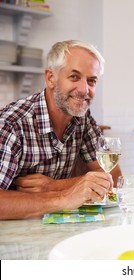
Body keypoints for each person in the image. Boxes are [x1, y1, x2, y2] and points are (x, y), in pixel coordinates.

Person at [0, 40, 121, 220]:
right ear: (50, 78)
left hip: (56, 228)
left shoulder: (83, 119)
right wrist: (64, 197)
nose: (84, 89)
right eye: (74, 77)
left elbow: (114, 177)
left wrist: (54, 186)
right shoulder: (12, 125)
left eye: (91, 81)